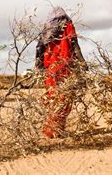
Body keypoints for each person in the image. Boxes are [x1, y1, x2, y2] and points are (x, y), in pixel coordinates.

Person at [35, 7, 87, 138]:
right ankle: (57, 129)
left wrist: (38, 65)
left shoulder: (47, 29)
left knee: (52, 97)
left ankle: (51, 130)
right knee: (65, 98)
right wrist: (82, 62)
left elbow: (40, 48)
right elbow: (74, 44)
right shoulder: (67, 25)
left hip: (50, 68)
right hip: (65, 66)